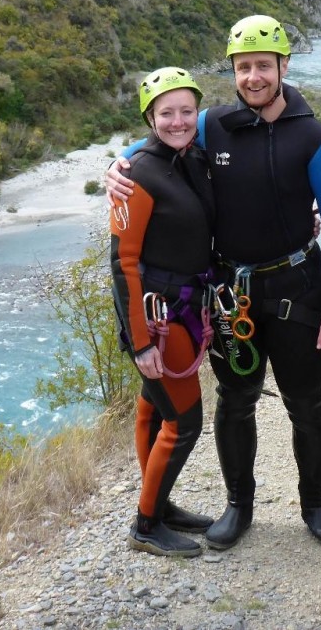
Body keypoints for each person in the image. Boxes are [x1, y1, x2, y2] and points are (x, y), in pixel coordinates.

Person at [107, 15, 321, 550]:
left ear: (284, 67)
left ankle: (315, 505)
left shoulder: (315, 138)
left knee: (307, 403)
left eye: (264, 66)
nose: (253, 77)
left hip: (298, 290)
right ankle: (238, 505)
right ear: (234, 72)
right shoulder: (213, 124)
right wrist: (118, 163)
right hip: (231, 295)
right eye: (244, 68)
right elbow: (156, 138)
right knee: (235, 402)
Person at [110, 66, 217, 558]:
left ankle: (160, 503)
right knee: (185, 421)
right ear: (150, 118)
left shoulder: (190, 157)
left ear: (197, 112)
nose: (178, 121)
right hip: (158, 317)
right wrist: (141, 343)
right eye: (166, 113)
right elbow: (123, 263)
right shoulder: (135, 176)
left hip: (184, 308)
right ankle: (146, 524)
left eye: (186, 111)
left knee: (153, 407)